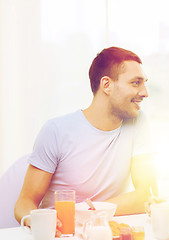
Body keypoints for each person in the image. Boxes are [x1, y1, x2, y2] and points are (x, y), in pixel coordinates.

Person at [14, 47, 157, 235]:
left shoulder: (138, 122)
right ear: (106, 85)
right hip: (62, 234)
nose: (144, 92)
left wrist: (92, 212)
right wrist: (39, 221)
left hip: (104, 232)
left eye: (144, 83)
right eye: (135, 83)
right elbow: (24, 202)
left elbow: (146, 195)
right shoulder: (56, 130)